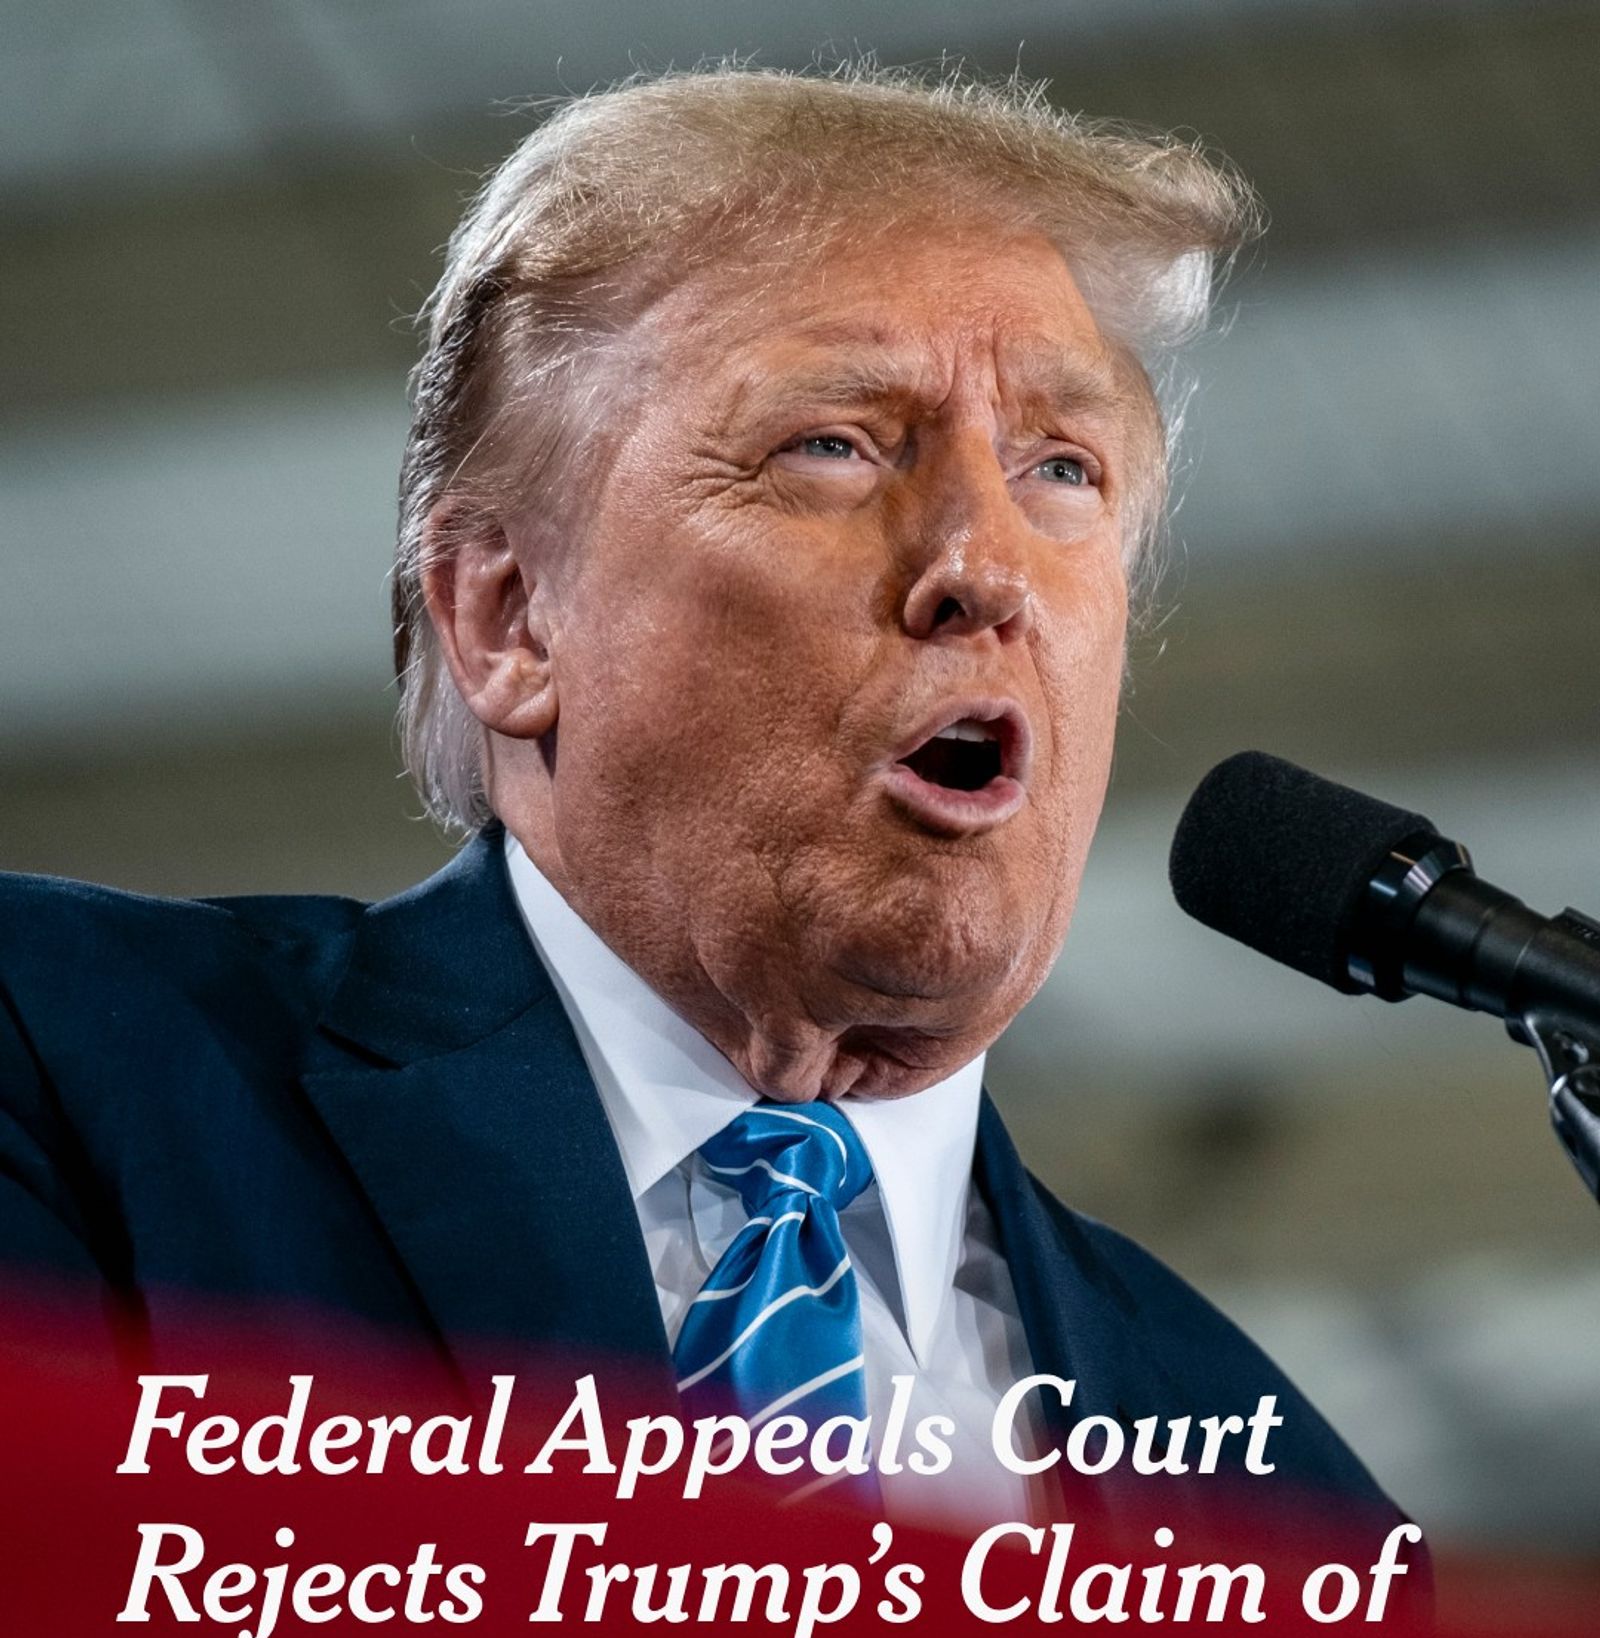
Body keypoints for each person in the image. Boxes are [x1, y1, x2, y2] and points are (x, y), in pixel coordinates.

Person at [0, 67, 1408, 1537]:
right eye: (836, 446)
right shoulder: (71, 1074)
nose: (985, 568)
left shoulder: (1300, 1514)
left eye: (1064, 467)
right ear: (510, 619)